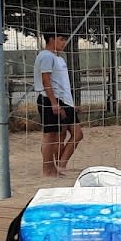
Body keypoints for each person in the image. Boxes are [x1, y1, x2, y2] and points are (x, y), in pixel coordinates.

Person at [33, 31, 83, 177]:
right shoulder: (46, 56)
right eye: (61, 39)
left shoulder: (57, 58)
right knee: (51, 136)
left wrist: (71, 104)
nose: (64, 43)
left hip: (64, 101)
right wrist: (54, 103)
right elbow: (46, 81)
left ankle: (57, 166)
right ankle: (48, 169)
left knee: (70, 134)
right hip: (50, 100)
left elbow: (61, 84)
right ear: (51, 39)